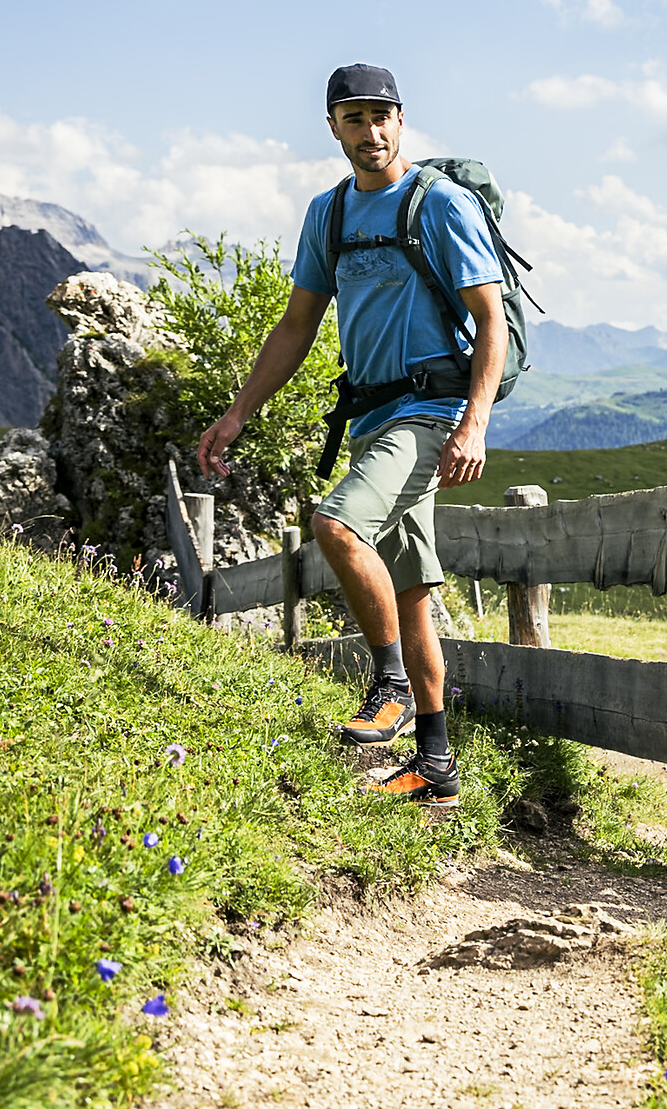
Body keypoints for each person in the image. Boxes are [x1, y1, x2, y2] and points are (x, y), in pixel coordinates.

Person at [197, 63, 507, 807]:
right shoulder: (329, 214)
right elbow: (297, 325)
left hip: (430, 414)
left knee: (334, 524)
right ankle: (436, 767)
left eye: (383, 116)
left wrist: (475, 424)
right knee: (409, 593)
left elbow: (491, 318)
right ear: (332, 127)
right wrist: (238, 413)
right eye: (354, 118)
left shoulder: (439, 205)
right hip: (371, 419)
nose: (371, 132)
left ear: (402, 120)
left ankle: (390, 685)